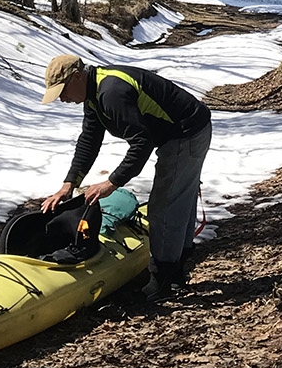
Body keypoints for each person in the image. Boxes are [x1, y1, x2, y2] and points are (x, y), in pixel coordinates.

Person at [38, 53, 211, 297]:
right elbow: (89, 140)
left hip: (186, 132)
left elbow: (142, 143)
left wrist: (111, 183)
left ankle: (163, 280)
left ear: (77, 77)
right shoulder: (93, 94)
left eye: (62, 92)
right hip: (181, 130)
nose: (63, 99)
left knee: (165, 206)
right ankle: (177, 271)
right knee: (179, 199)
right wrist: (69, 184)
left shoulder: (111, 92)